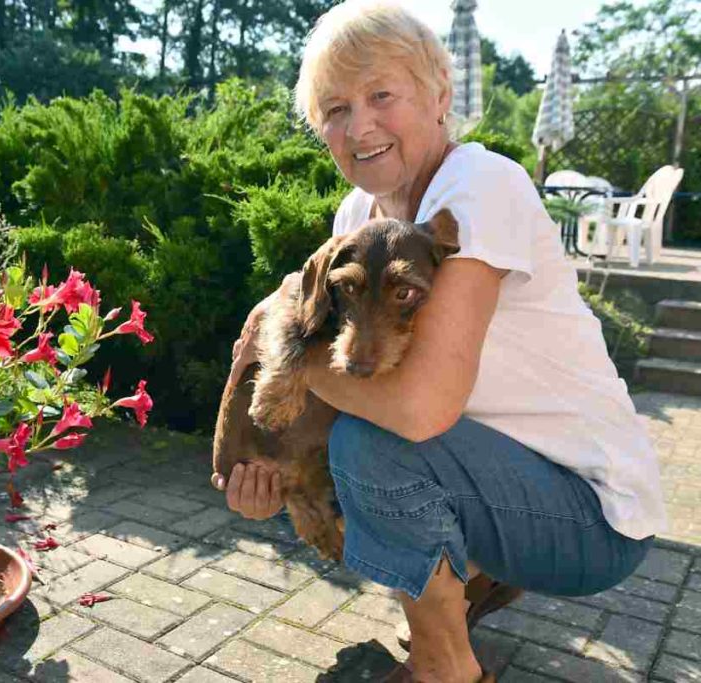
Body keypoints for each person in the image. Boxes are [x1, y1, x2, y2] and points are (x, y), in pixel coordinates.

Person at [210, 2, 666, 682]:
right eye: (334, 109)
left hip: (592, 515)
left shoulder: (481, 185)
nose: (359, 125)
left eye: (381, 95)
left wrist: (293, 360)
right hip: (504, 479)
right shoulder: (359, 216)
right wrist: (275, 475)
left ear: (440, 97)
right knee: (349, 443)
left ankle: (444, 667)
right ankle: (474, 578)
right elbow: (313, 351)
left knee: (375, 443)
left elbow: (419, 411)